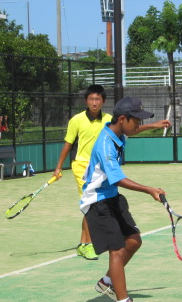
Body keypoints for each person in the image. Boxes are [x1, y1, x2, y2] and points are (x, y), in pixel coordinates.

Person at [53, 85, 170, 260]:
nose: (94, 102)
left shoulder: (111, 120)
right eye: (91, 99)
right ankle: (86, 243)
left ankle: (89, 246)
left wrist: (153, 125)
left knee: (118, 229)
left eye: (97, 99)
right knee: (91, 204)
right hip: (84, 168)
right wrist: (59, 166)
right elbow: (68, 144)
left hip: (106, 174)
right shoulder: (77, 120)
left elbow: (130, 129)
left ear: (103, 101)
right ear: (86, 101)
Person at [81, 96, 165, 302]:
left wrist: (153, 125)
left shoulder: (118, 132)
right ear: (122, 119)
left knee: (134, 240)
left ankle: (107, 281)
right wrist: (149, 189)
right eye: (136, 120)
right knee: (117, 250)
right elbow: (117, 178)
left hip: (112, 197)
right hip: (97, 201)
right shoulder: (105, 144)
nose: (138, 124)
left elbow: (132, 131)